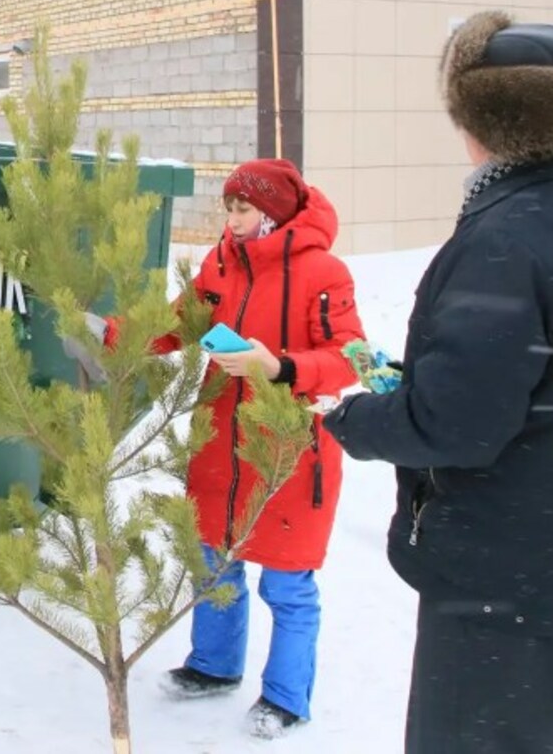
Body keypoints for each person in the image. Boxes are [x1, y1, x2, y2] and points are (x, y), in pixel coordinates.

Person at [322, 12, 553, 754]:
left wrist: (356, 417)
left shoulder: (509, 235)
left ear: (488, 118)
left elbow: (458, 424)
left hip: (500, 581)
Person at [140, 159, 366, 739]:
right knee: (214, 562)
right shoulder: (222, 263)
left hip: (291, 452)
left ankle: (286, 699)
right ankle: (214, 667)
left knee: (287, 584)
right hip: (221, 440)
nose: (233, 221)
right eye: (230, 209)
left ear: (273, 212)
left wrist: (280, 366)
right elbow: (179, 323)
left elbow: (352, 358)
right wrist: (113, 336)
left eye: (244, 210)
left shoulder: (325, 273)